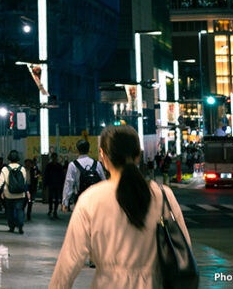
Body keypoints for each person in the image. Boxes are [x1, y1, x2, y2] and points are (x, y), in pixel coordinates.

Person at [50, 124, 191, 289]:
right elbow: (183, 247)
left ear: (103, 155)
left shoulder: (90, 199)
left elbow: (69, 260)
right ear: (138, 155)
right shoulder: (163, 195)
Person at [62, 139, 106, 213]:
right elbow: (104, 182)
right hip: (96, 199)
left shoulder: (73, 165)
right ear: (89, 149)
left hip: (81, 199)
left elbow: (68, 184)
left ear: (77, 150)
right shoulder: (97, 164)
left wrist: (65, 202)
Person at [0, 150, 28, 233]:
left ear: (9, 159)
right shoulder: (22, 169)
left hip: (8, 194)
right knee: (20, 210)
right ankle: (20, 226)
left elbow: (1, 180)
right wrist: (27, 191)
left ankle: (11, 227)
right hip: (20, 194)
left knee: (9, 210)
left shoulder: (5, 169)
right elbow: (24, 181)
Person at [43, 152, 66, 219]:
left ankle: (54, 211)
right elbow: (46, 175)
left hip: (56, 184)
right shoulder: (52, 166)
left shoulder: (56, 166)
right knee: (51, 198)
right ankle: (51, 210)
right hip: (52, 184)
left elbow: (62, 176)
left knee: (55, 198)